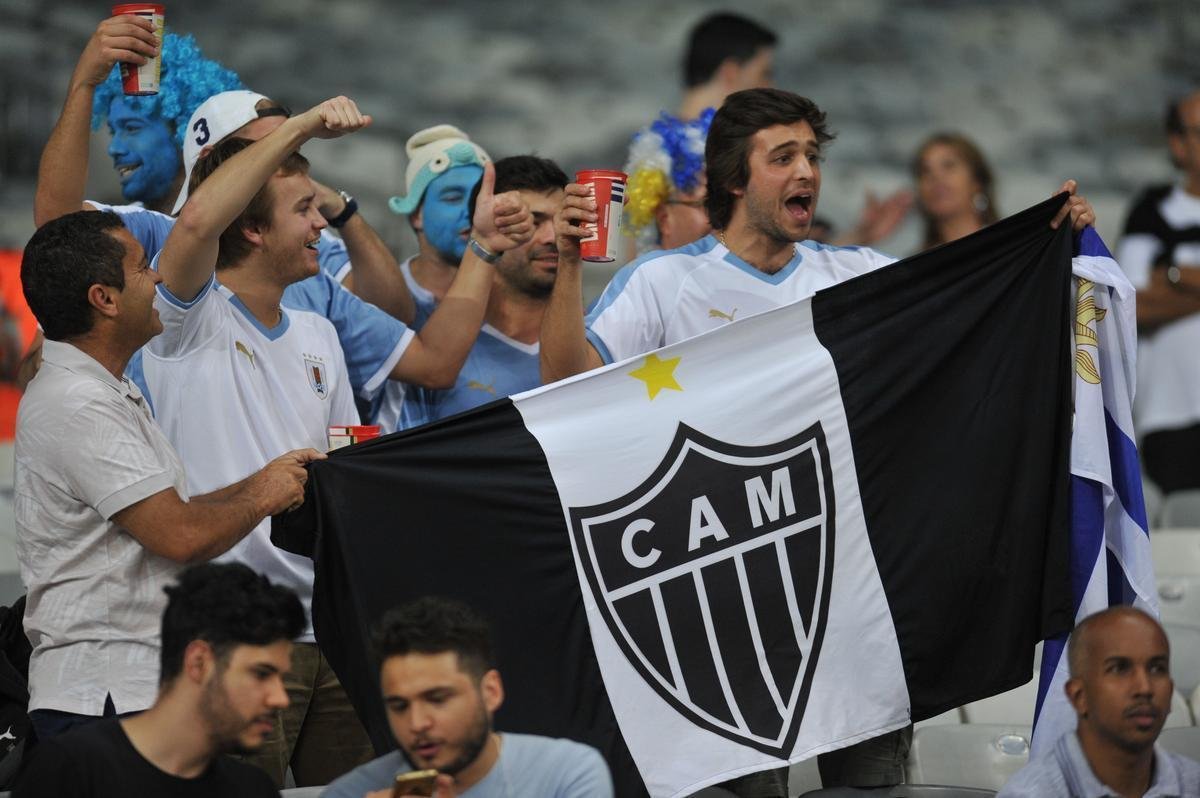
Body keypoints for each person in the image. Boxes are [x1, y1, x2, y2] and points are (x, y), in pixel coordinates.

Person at [542, 86, 1097, 789]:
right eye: (784, 158)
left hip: (859, 616)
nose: (807, 170)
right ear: (736, 181)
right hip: (722, 624)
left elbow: (975, 317)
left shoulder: (859, 277)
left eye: (811, 154)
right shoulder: (662, 284)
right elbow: (567, 391)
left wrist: (1050, 246)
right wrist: (567, 262)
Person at [141, 97, 530, 787]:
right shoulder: (185, 321)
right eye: (303, 211)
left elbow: (346, 457)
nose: (323, 223)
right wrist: (298, 128)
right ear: (252, 231)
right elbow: (198, 218)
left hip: (332, 631)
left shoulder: (321, 331)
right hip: (234, 635)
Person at [14, 210, 320, 741]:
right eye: (140, 268)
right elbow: (178, 536)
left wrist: (264, 478)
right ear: (103, 299)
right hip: (104, 698)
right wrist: (264, 496)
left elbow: (169, 514)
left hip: (129, 687)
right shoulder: (79, 403)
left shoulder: (104, 389)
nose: (157, 276)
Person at [15, 562, 307, 797]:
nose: (280, 698)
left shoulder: (252, 788)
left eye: (281, 678)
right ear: (199, 662)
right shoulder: (71, 769)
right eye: (261, 674)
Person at [323, 597, 613, 798]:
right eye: (399, 706)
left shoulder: (566, 773)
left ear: (491, 692)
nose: (417, 723)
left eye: (437, 699)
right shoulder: (350, 793)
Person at [404, 155, 568, 425]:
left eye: (561, 222)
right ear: (478, 227)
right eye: (533, 222)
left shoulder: (598, 338)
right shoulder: (431, 345)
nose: (552, 238)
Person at [999, 607, 1200, 797]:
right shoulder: (1030, 794)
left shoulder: (1193, 784)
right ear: (1079, 696)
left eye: (1157, 669)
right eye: (1119, 669)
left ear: (1171, 691)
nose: (1144, 688)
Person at [1116, 90, 1200, 497]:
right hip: (1172, 414)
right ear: (1177, 144)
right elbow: (1131, 304)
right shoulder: (1151, 210)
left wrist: (1177, 277)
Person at [912, 132, 1000, 251]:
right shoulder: (914, 266)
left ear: (977, 181)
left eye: (948, 165)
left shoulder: (1010, 249)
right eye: (925, 170)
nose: (935, 177)